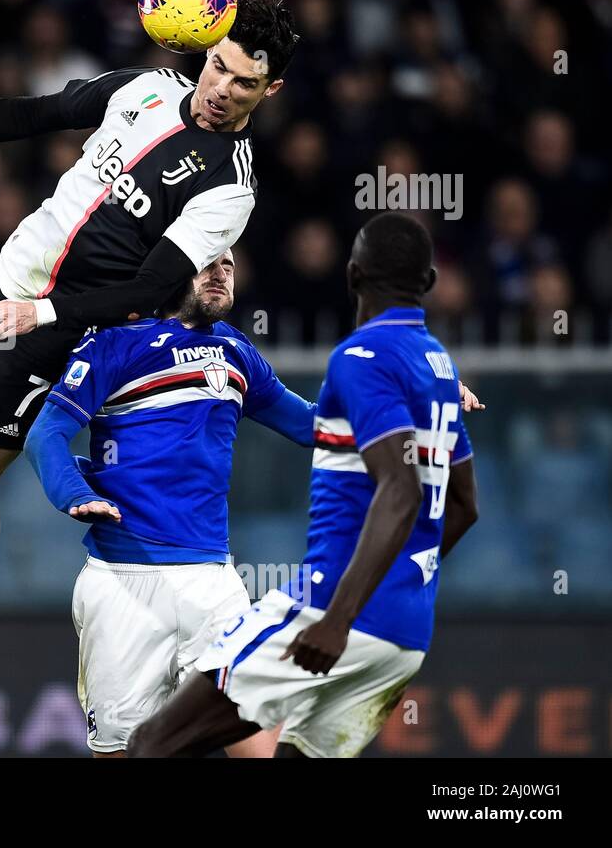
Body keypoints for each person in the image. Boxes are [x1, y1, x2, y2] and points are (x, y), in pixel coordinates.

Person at [0, 0, 299, 701]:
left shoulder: (230, 190)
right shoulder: (147, 88)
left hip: (64, 324)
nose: (221, 90)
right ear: (205, 53)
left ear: (269, 90)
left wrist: (41, 314)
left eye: (244, 83)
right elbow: (32, 114)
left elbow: (145, 291)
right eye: (218, 67)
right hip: (12, 270)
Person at [127, 212, 480, 758]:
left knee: (153, 742)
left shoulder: (359, 358)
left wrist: (338, 621)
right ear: (429, 284)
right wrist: (407, 582)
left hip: (330, 610)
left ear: (352, 275)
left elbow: (401, 491)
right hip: (405, 635)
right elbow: (463, 508)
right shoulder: (438, 368)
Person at [25, 249, 307, 756]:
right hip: (123, 584)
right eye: (208, 263)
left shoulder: (236, 352)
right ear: (174, 270)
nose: (221, 274)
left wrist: (417, 398)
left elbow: (313, 424)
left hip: (215, 584)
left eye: (229, 265)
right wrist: (75, 494)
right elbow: (45, 434)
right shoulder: (114, 344)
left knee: (258, 749)